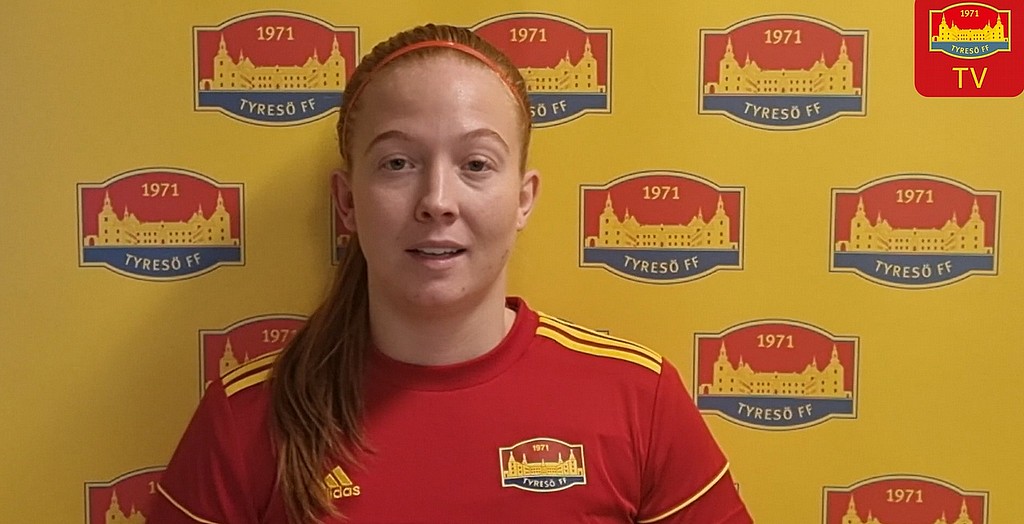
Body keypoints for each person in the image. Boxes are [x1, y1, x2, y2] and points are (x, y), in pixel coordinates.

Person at [150, 24, 753, 524]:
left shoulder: (638, 399)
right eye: (397, 163)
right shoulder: (247, 417)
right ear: (347, 202)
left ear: (523, 199)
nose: (437, 200)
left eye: (476, 164)